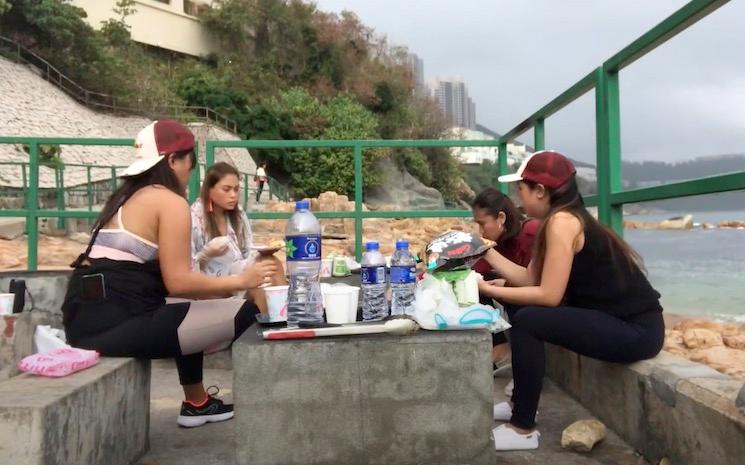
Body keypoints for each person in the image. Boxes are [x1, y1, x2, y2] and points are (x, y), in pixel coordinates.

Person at [61, 120, 279, 428]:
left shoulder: (126, 197)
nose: (190, 175)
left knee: (187, 309)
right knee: (245, 313)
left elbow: (170, 285)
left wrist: (219, 288)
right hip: (115, 323)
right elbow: (179, 280)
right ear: (173, 160)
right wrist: (241, 282)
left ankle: (197, 402)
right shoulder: (169, 201)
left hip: (84, 319)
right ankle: (268, 403)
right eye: (189, 164)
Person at [477, 150, 664, 450]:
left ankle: (522, 428)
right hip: (614, 319)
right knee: (521, 306)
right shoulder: (557, 219)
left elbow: (549, 296)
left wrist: (490, 291)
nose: (517, 198)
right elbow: (528, 279)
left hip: (637, 330)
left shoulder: (563, 222)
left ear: (540, 190)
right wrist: (483, 250)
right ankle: (518, 406)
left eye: (520, 189)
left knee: (527, 321)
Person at [191, 162, 285, 312]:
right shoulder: (195, 217)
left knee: (270, 264)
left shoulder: (238, 214)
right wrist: (205, 254)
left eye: (236, 189)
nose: (233, 195)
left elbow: (247, 251)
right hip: (210, 283)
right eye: (226, 190)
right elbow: (187, 269)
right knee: (259, 285)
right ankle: (270, 322)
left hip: (236, 274)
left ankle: (282, 319)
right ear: (209, 190)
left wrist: (264, 252)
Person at [471, 188, 539, 373]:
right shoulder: (497, 242)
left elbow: (536, 282)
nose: (481, 230)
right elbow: (473, 270)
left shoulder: (531, 232)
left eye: (482, 223)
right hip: (524, 292)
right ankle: (499, 347)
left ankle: (522, 370)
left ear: (501, 218)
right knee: (473, 285)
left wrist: (505, 284)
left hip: (545, 298)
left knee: (521, 308)